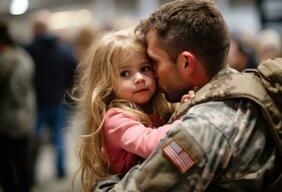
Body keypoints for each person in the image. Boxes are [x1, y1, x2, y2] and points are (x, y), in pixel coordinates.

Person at [93, 0, 282, 192]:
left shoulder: (196, 129)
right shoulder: (248, 86)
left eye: (153, 63)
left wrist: (101, 184)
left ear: (186, 63)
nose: (153, 75)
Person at [73, 29, 195, 192]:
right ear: (107, 83)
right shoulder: (115, 118)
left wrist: (184, 109)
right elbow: (150, 143)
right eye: (125, 73)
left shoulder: (154, 107)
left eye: (145, 69)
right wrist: (189, 119)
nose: (139, 78)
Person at [26, 19, 77, 181]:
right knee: (59, 137)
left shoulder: (29, 51)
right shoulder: (62, 50)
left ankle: (30, 174)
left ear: (35, 30)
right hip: (58, 100)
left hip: (36, 103)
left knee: (34, 139)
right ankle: (60, 170)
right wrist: (67, 91)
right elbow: (74, 72)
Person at [0, 22, 36, 192]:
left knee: (5, 164)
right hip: (25, 118)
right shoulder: (24, 57)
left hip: (4, 122)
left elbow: (14, 94)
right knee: (22, 161)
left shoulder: (3, 61)